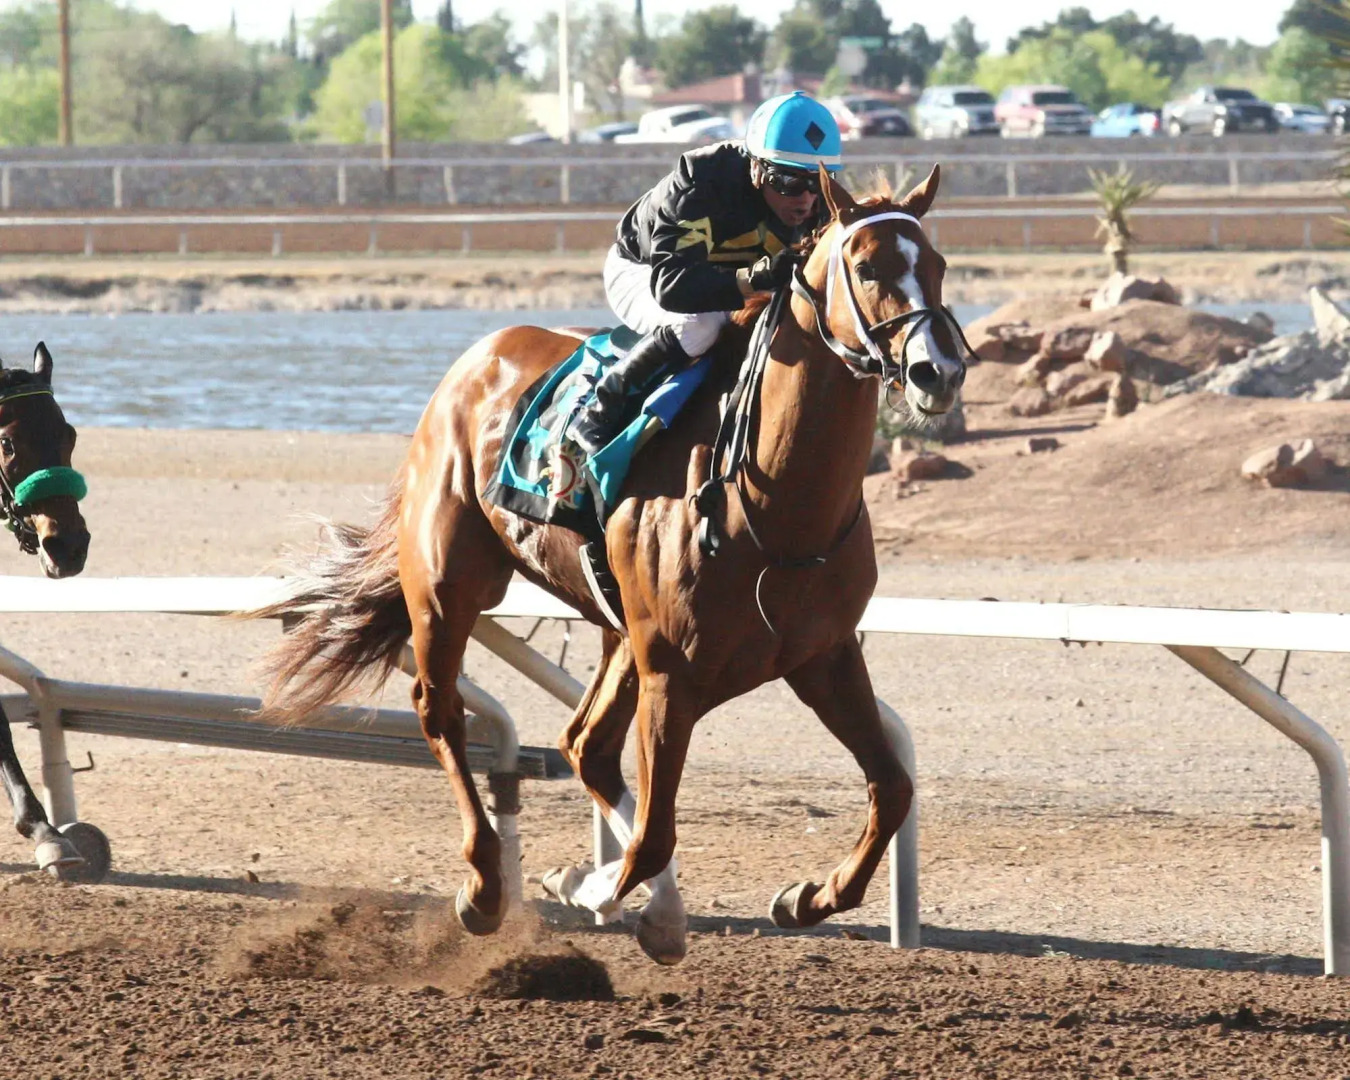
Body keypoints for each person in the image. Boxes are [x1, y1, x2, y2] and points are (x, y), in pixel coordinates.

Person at [559, 90, 844, 468]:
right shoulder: (701, 182)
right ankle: (600, 408)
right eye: (789, 182)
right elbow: (673, 287)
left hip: (725, 283)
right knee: (702, 324)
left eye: (817, 182)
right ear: (757, 168)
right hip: (645, 271)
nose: (806, 199)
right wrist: (754, 279)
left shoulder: (821, 202)